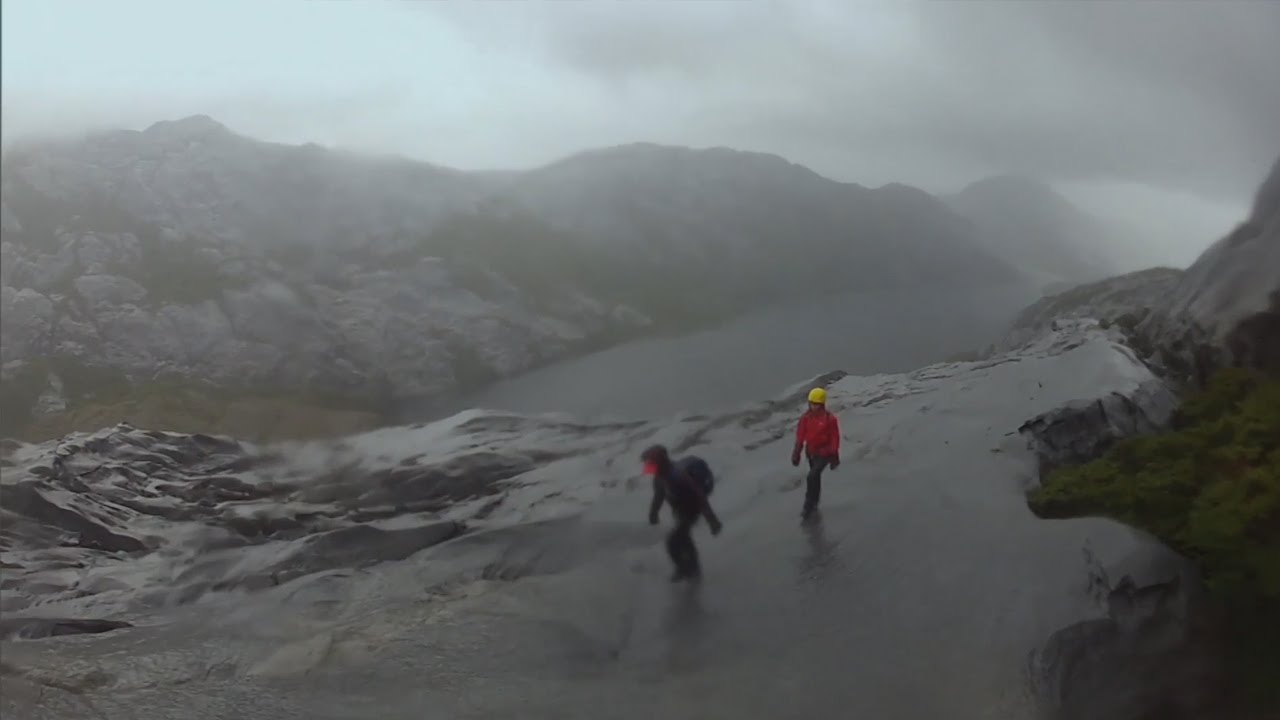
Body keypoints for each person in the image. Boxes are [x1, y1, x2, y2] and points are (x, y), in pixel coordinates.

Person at [642, 444, 723, 582]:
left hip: (692, 509)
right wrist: (653, 513)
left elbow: (700, 497)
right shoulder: (659, 477)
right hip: (679, 509)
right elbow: (659, 496)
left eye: (650, 463)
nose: (648, 467)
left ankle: (684, 569)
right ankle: (694, 568)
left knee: (672, 542)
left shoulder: (678, 476)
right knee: (685, 539)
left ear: (660, 462)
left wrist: (712, 521)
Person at [791, 387, 841, 519]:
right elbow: (800, 437)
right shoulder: (805, 419)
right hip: (811, 452)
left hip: (825, 453)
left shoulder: (830, 420)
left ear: (822, 404)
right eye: (811, 404)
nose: (813, 407)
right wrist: (796, 453)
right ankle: (815, 502)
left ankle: (808, 505)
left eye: (816, 404)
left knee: (811, 476)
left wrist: (834, 456)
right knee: (815, 477)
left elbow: (835, 438)